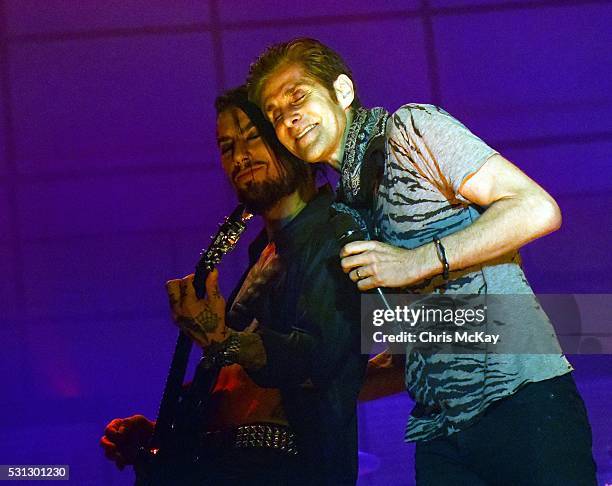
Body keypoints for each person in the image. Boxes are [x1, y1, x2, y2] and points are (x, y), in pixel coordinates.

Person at [247, 38, 597, 485]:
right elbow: (411, 345)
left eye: (296, 97)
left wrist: (414, 263)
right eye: (275, 115)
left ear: (343, 91)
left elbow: (537, 208)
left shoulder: (411, 129)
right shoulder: (346, 212)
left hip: (521, 400)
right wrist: (285, 380)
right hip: (437, 430)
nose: (288, 117)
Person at [100, 86, 367, 485]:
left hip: (278, 466)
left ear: (291, 135)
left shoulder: (340, 232)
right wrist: (167, 432)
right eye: (227, 146)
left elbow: (321, 358)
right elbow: (235, 378)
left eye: (252, 137)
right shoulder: (262, 251)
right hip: (217, 463)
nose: (239, 156)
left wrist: (225, 339)